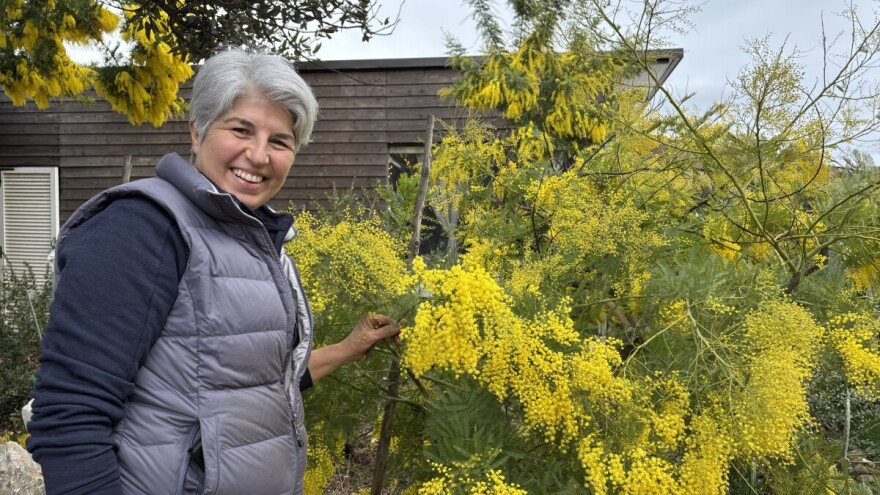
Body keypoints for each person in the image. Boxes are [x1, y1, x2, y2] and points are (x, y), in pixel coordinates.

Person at [25, 48, 398, 495]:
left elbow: (250, 388)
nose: (259, 156)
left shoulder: (252, 238)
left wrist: (346, 348)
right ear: (197, 131)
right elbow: (70, 414)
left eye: (279, 141)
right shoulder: (143, 227)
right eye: (241, 129)